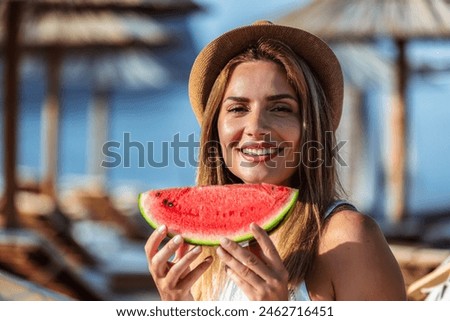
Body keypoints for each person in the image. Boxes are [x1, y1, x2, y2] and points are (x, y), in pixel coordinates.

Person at [144, 20, 406, 301]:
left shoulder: (350, 239)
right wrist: (178, 307)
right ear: (215, 128)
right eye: (238, 108)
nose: (256, 126)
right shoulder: (202, 254)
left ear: (311, 127)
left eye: (281, 108)